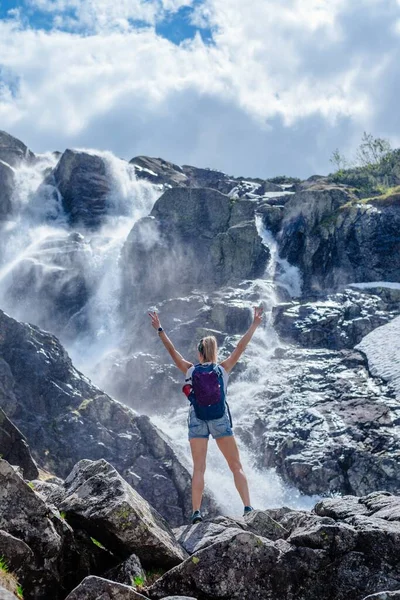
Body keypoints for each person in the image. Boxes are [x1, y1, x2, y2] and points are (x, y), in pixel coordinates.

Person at [148, 306, 264, 524]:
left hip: (197, 419)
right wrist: (255, 324)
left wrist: (160, 328)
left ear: (200, 353)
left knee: (199, 467)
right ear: (214, 352)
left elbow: (172, 351)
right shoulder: (223, 369)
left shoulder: (191, 370)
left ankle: (196, 513)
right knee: (235, 465)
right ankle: (248, 507)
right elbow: (241, 346)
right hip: (220, 419)